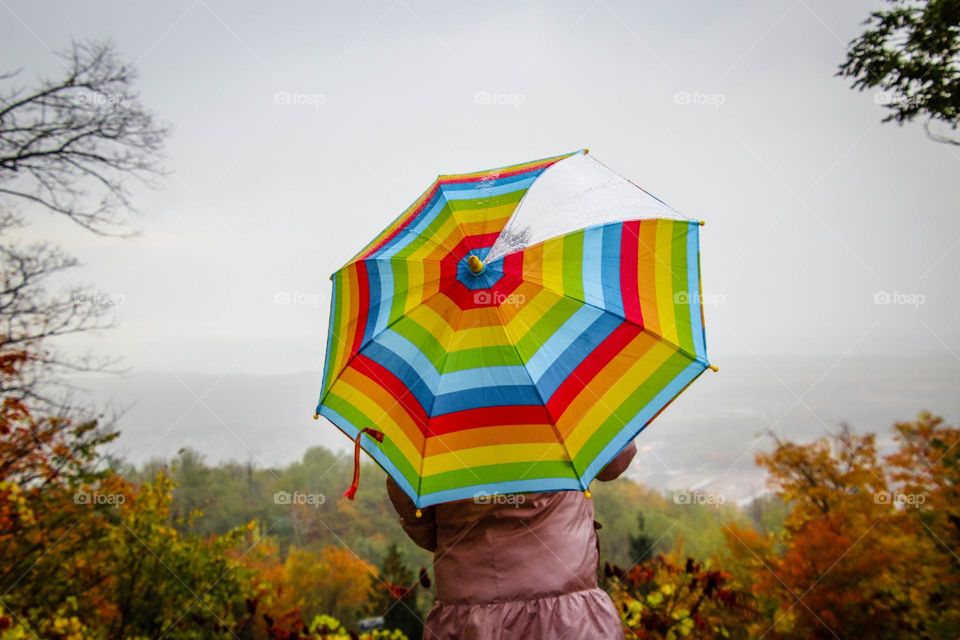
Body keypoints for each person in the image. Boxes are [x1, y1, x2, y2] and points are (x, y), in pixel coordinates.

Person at [386, 441, 637, 640]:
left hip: (466, 622)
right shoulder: (557, 395)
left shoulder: (433, 422)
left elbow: (422, 523)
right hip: (567, 617)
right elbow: (614, 461)